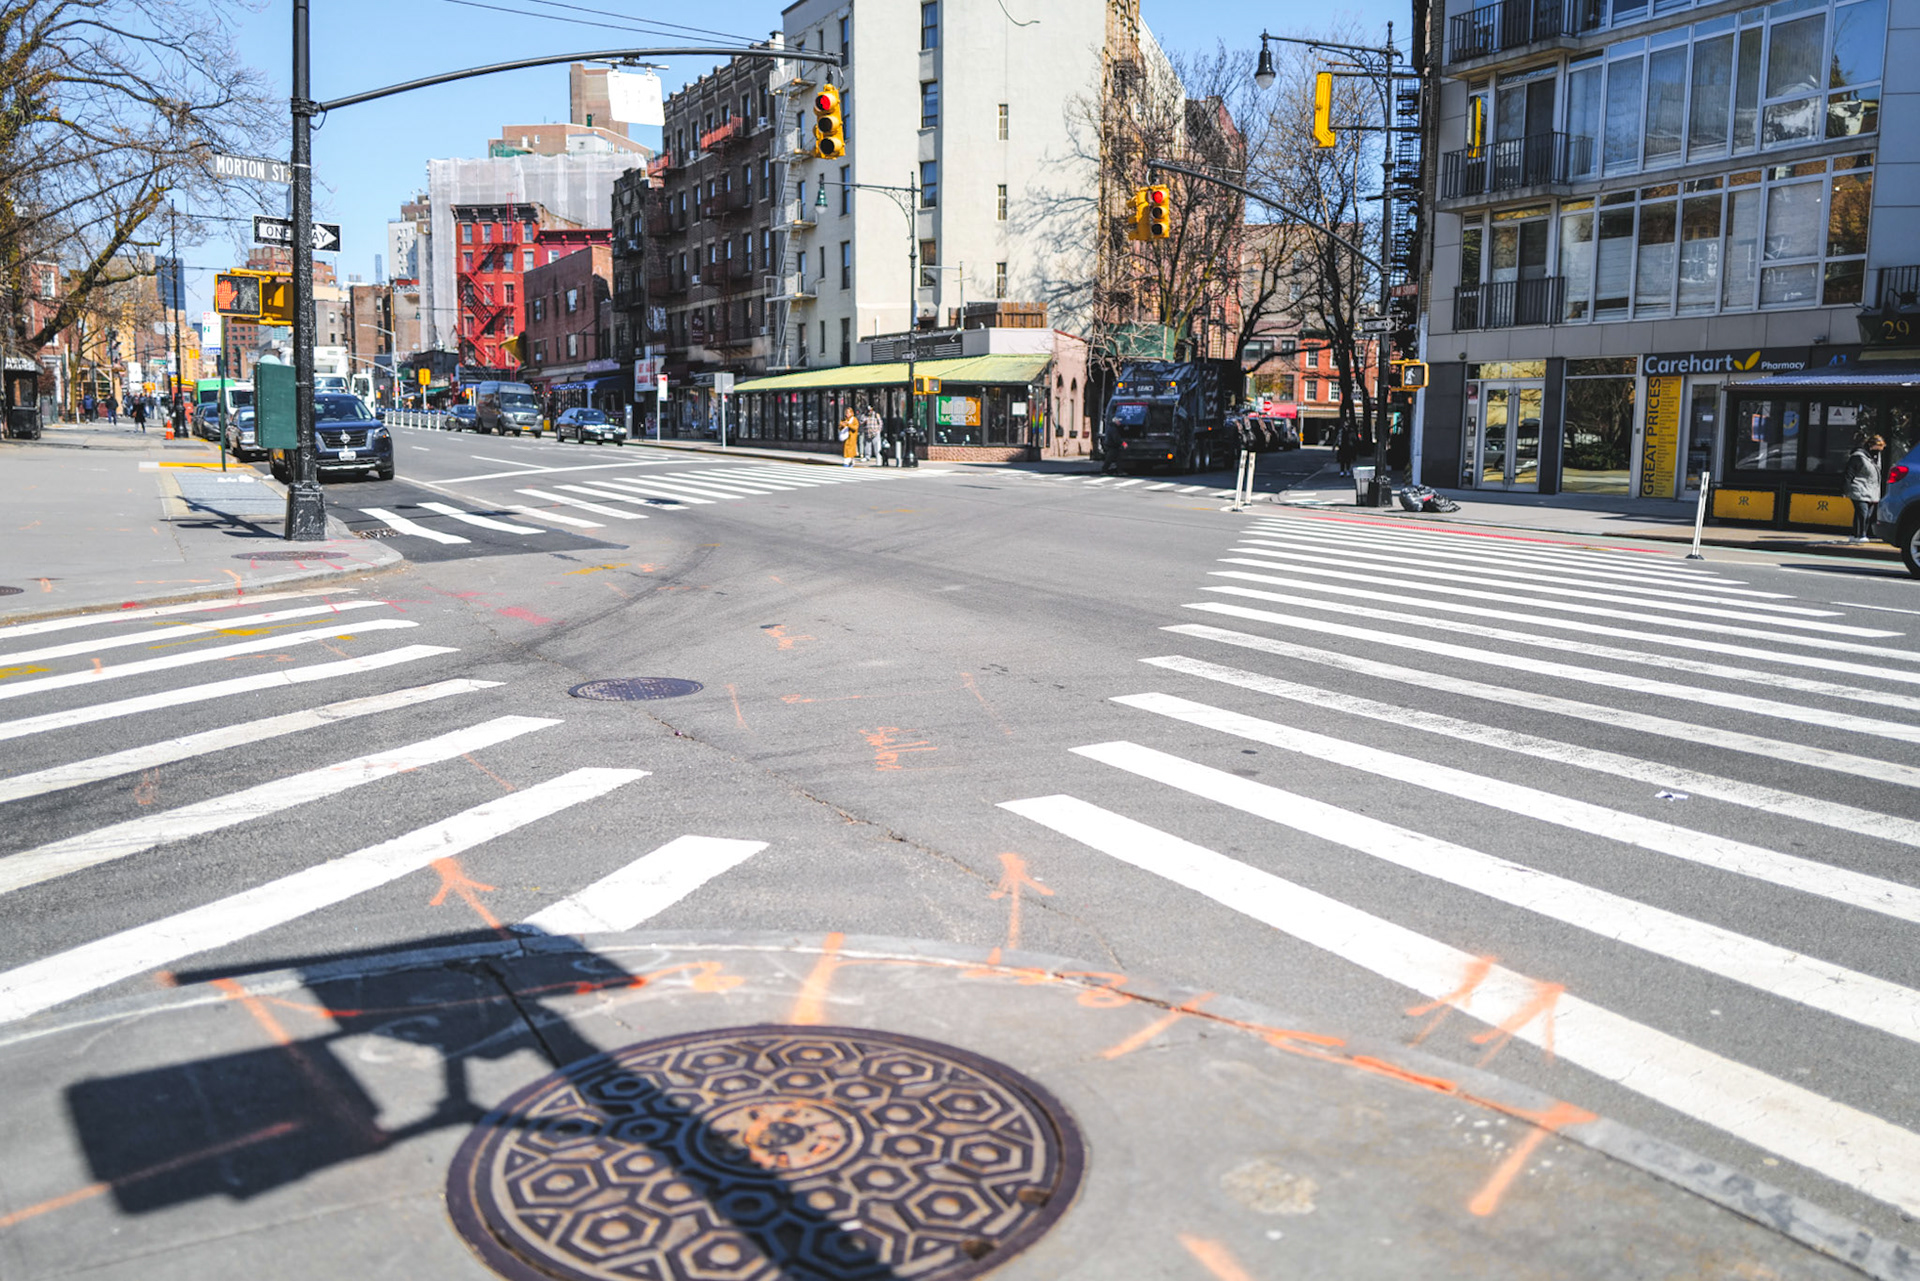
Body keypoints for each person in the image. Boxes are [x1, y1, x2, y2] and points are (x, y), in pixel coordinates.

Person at [1845, 431, 1882, 543]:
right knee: (1863, 512)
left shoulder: (1875, 458)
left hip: (1871, 491)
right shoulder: (1858, 457)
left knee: (1865, 513)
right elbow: (1849, 473)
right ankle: (1861, 535)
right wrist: (1846, 489)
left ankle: (1855, 534)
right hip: (1859, 488)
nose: (1880, 450)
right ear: (1871, 445)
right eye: (1878, 447)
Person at [859, 399, 883, 464]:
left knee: (877, 446)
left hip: (875, 433)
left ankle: (878, 457)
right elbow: (860, 422)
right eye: (868, 410)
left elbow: (880, 423)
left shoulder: (876, 414)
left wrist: (878, 430)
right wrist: (864, 421)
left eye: (870, 410)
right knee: (867, 445)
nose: (869, 411)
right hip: (867, 433)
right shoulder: (864, 415)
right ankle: (867, 456)